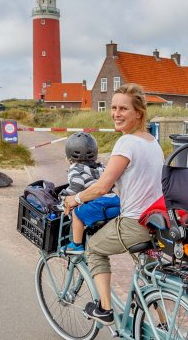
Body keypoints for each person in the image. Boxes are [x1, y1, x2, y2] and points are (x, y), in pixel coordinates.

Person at [62, 83, 164, 324]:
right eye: (113, 107)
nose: (116, 114)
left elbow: (102, 187)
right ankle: (162, 324)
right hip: (155, 220)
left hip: (134, 222)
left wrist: (74, 198)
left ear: (138, 113)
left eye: (123, 109)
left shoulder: (126, 143)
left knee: (94, 249)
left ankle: (105, 309)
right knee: (148, 273)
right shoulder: (152, 142)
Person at [60, 132, 120, 255]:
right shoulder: (101, 167)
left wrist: (64, 196)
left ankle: (76, 245)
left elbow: (76, 186)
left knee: (77, 214)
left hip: (99, 203)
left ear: (68, 157)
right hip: (114, 200)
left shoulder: (75, 169)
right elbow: (111, 183)